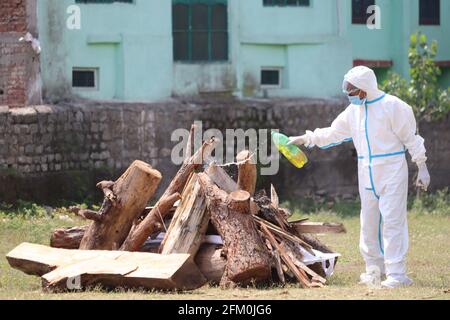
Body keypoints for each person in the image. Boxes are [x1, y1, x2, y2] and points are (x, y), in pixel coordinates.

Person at [288, 66, 430, 289]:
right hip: (366, 171)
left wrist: (421, 166)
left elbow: (411, 139)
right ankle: (374, 270)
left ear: (364, 90)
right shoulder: (353, 112)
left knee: (393, 222)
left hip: (391, 169)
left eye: (351, 90)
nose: (348, 94)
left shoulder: (393, 106)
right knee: (368, 222)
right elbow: (332, 133)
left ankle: (397, 274)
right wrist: (305, 139)